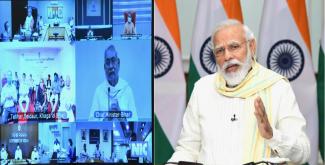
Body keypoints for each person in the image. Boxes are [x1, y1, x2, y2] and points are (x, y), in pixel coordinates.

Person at [167, 20, 310, 164]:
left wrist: (272, 135)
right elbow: (187, 150)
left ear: (251, 46)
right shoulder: (202, 89)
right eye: (220, 51)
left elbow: (303, 153)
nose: (227, 56)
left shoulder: (276, 87)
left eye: (234, 47)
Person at [89, 45, 138, 121]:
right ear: (104, 67)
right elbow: (91, 122)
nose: (111, 66)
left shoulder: (127, 89)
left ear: (118, 63)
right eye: (107, 62)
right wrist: (107, 118)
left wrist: (120, 116)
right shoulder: (99, 91)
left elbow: (135, 120)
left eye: (113, 61)